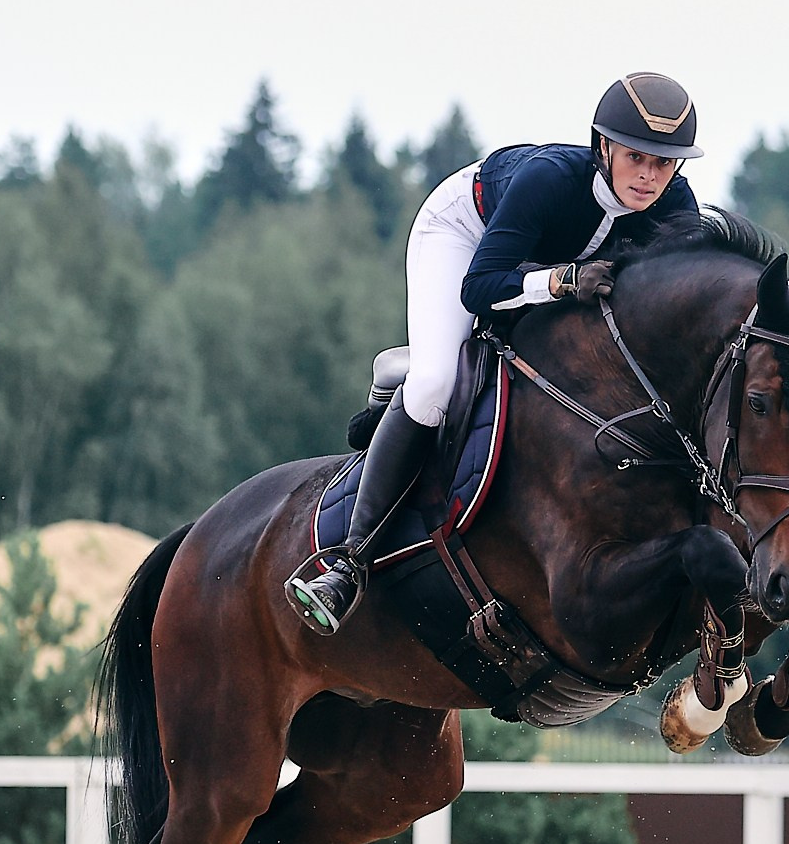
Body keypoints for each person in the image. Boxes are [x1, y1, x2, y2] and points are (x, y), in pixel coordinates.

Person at [287, 73, 704, 635]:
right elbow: (480, 289)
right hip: (465, 235)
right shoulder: (548, 180)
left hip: (548, 269)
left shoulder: (675, 206)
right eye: (637, 157)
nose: (651, 176)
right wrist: (558, 282)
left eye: (666, 162)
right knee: (437, 383)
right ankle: (346, 562)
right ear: (603, 146)